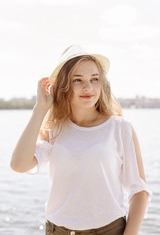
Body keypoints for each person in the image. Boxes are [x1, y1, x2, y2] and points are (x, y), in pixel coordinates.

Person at [10, 45, 152, 235]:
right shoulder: (54, 129)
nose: (88, 87)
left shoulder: (120, 128)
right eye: (78, 80)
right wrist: (40, 109)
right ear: (63, 86)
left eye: (95, 79)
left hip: (109, 230)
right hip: (57, 230)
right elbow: (19, 164)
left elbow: (139, 191)